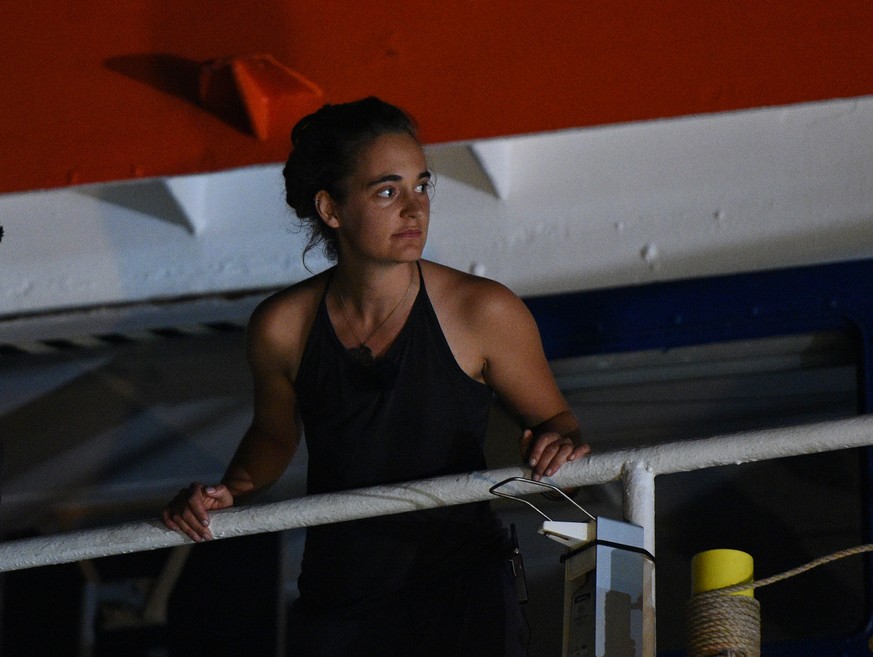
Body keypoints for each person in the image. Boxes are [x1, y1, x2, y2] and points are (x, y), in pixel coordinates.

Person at [162, 97, 589, 656]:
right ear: (330, 209)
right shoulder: (281, 326)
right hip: (339, 598)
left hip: (464, 590)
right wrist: (226, 492)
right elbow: (273, 436)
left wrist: (560, 450)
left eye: (422, 186)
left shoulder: (483, 310)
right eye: (388, 191)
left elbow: (560, 425)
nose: (415, 210)